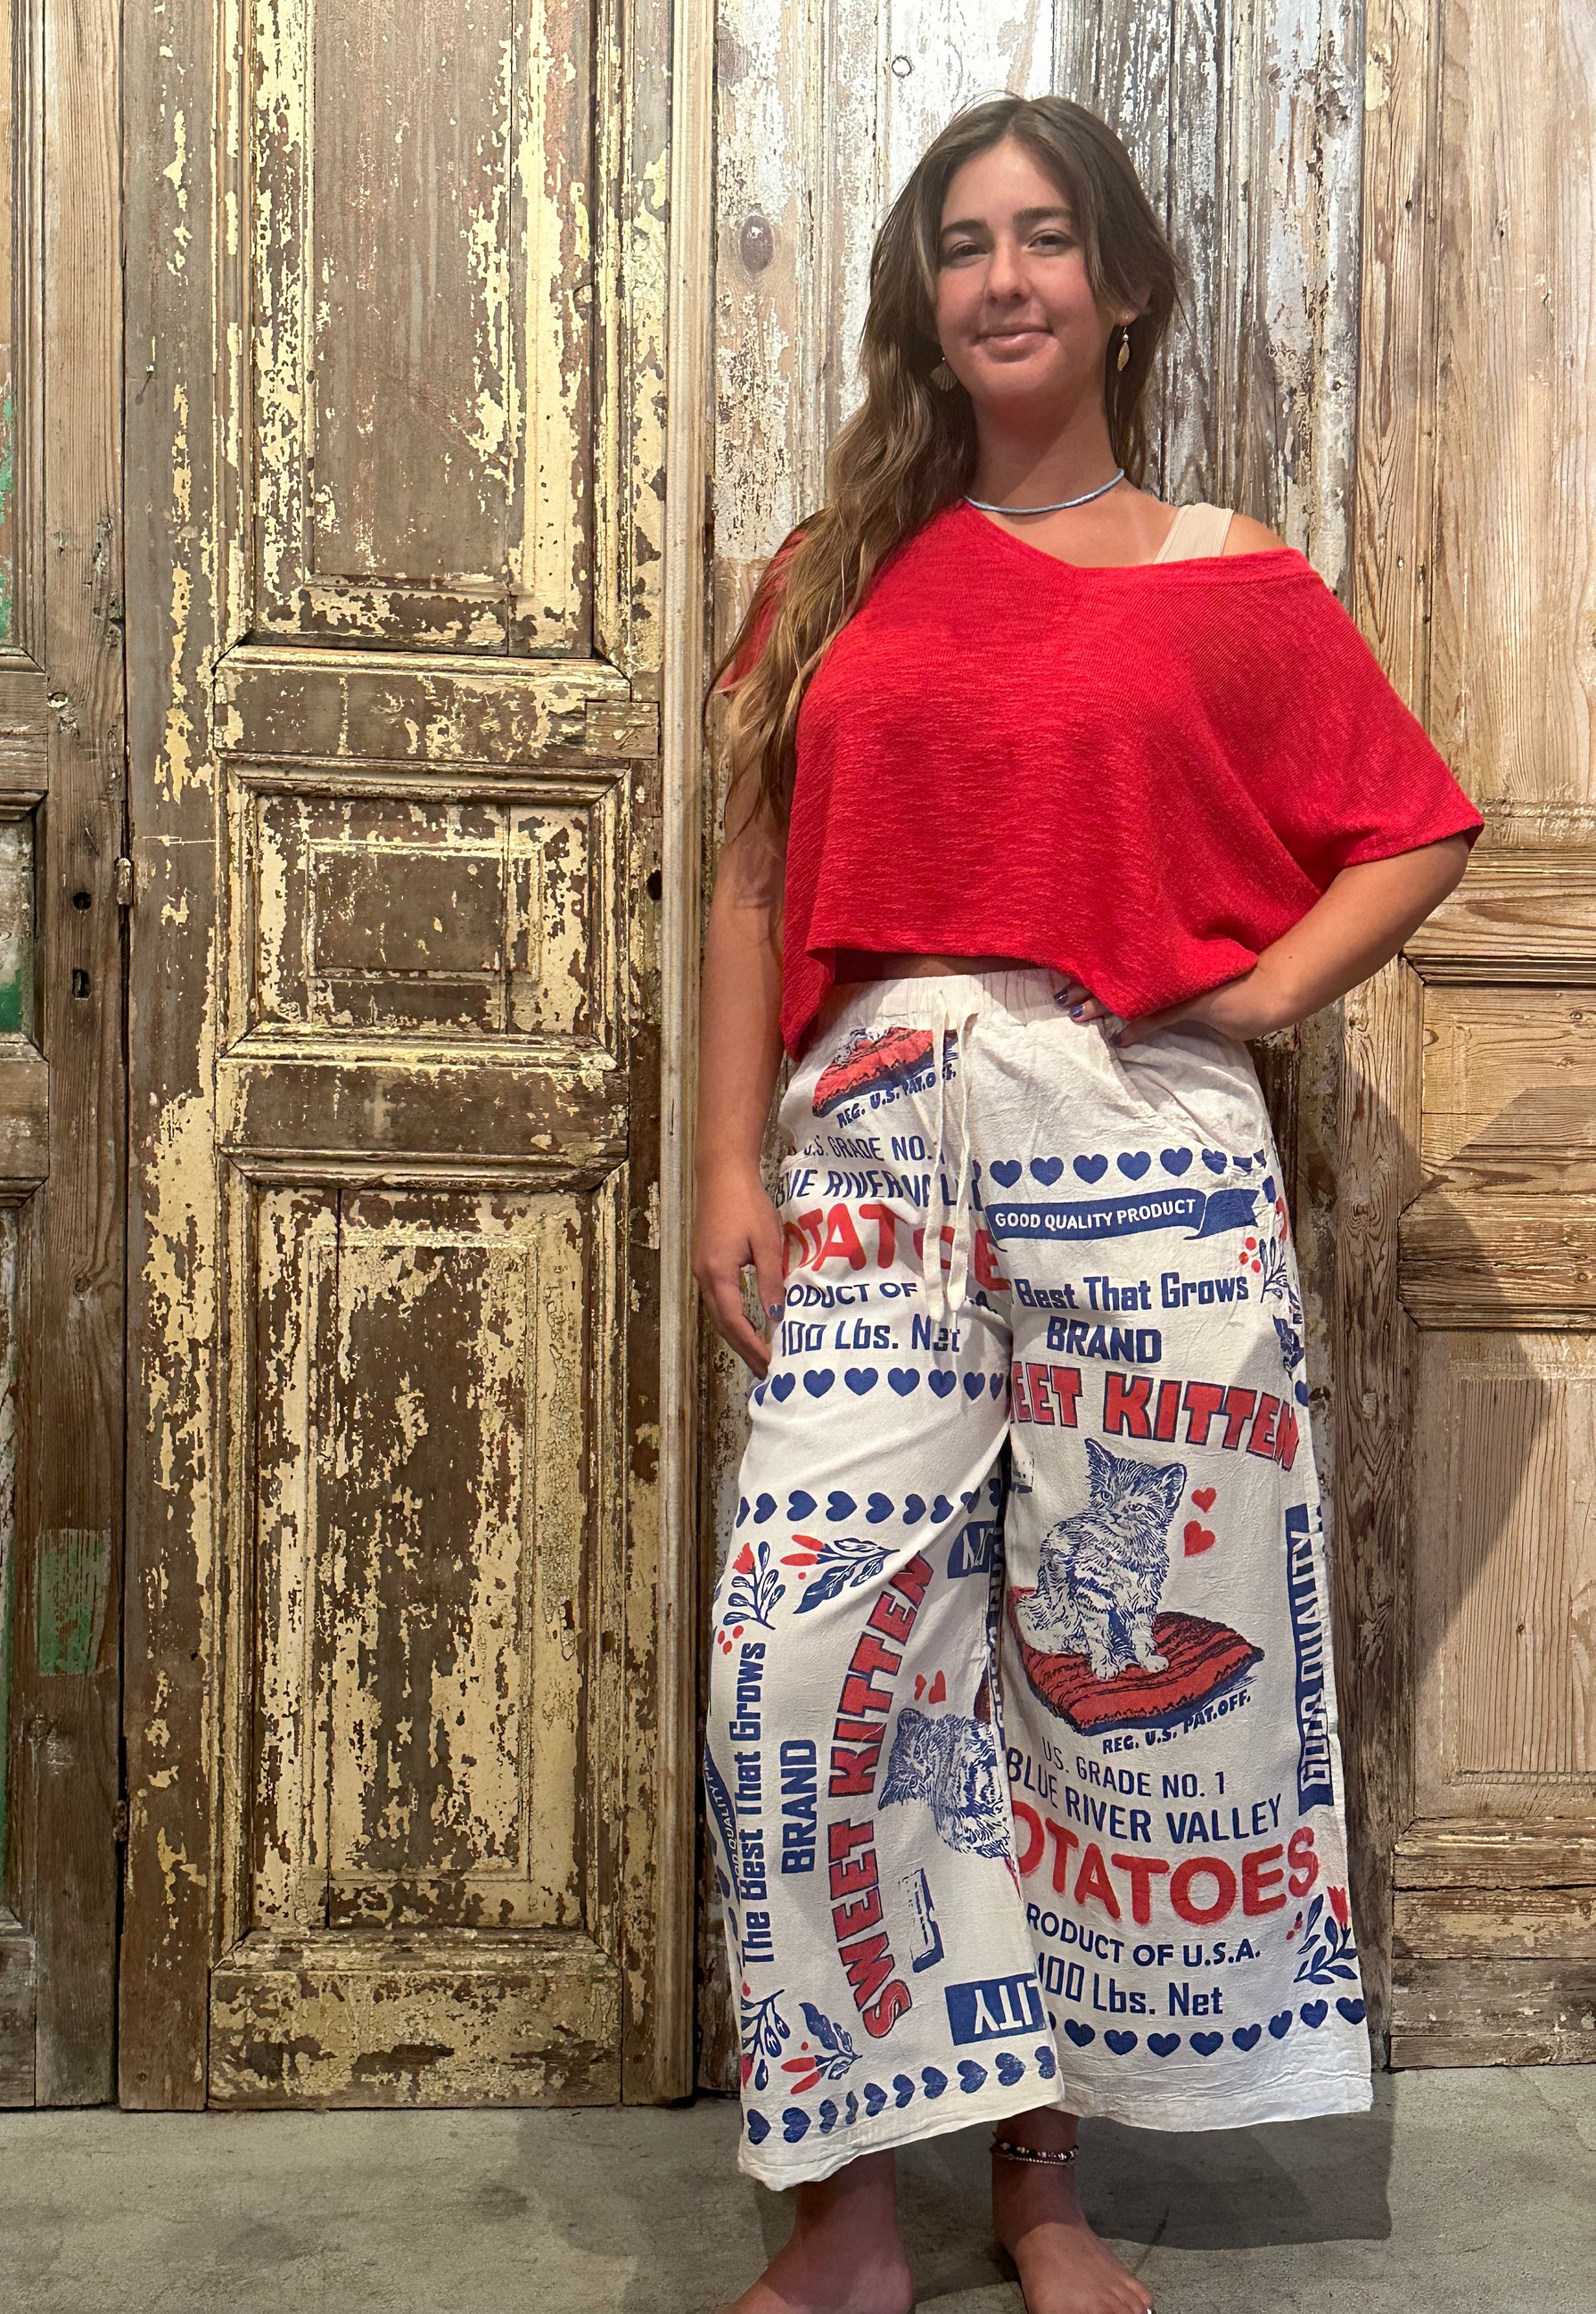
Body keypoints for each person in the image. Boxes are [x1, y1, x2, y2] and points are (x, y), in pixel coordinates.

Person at [692, 92, 1481, 2314]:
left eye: (1045, 237)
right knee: (804, 1648)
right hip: (873, 1130)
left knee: (1099, 1670)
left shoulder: (1226, 569)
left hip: (1138, 1134)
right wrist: (729, 1153)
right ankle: (843, 2208)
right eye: (963, 244)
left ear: (1123, 285)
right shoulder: (832, 571)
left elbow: (1413, 825)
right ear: (924, 296)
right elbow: (752, 874)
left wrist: (1268, 986)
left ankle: (1044, 2180)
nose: (1004, 277)